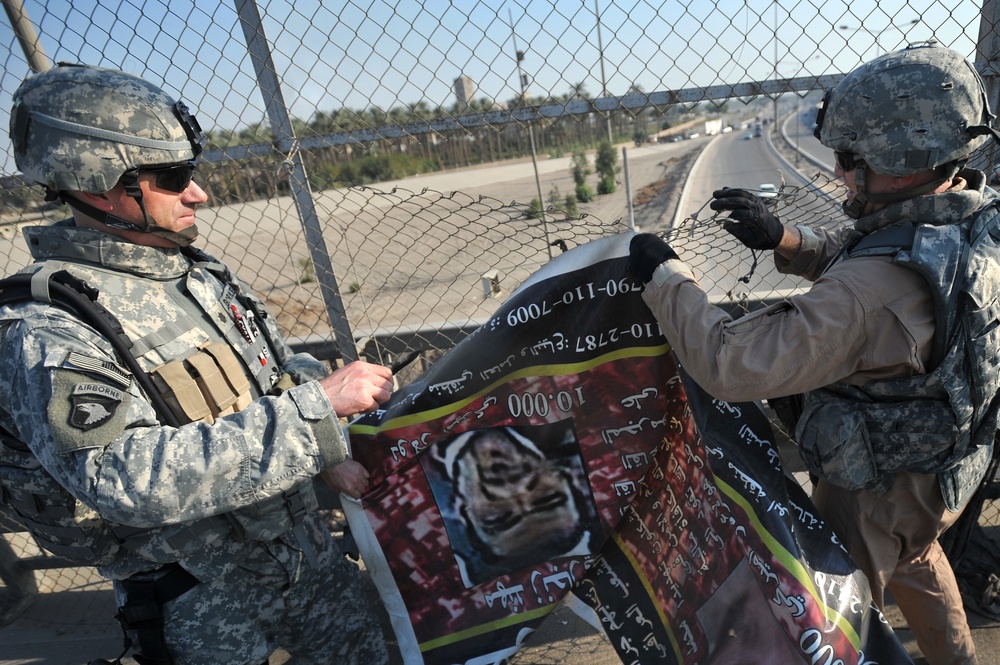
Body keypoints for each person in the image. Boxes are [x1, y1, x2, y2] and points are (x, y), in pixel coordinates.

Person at [0, 63, 393, 664]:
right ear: (101, 186)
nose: (198, 193)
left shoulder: (197, 274)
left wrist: (328, 434)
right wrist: (316, 412)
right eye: (173, 177)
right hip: (200, 594)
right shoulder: (49, 326)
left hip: (306, 557)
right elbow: (123, 478)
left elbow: (272, 374)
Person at [627, 44, 1000, 665]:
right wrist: (785, 239)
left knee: (837, 626)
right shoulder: (970, 219)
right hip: (943, 469)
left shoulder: (864, 298)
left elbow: (731, 364)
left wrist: (665, 278)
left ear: (902, 163)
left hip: (872, 489)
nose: (840, 174)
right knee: (918, 556)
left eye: (852, 161)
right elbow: (895, 263)